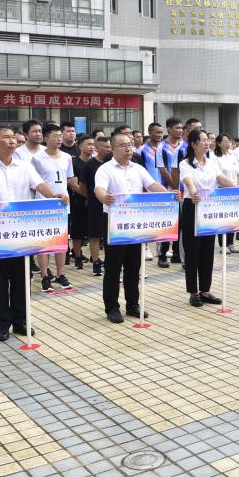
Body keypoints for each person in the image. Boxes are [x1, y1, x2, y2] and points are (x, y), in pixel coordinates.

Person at [0, 126, 67, 341]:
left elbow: (40, 185)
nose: (12, 141)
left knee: (21, 278)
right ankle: (2, 324)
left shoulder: (25, 166)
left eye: (13, 138)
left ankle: (20, 321)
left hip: (22, 233)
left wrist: (54, 196)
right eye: (6, 137)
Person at [94, 132, 168, 324]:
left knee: (134, 266)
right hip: (114, 221)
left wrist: (169, 195)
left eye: (130, 144)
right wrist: (104, 197)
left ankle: (132, 304)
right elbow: (99, 189)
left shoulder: (137, 168)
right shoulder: (105, 169)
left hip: (135, 221)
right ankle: (112, 307)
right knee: (113, 266)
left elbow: (152, 185)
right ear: (113, 148)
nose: (128, 148)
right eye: (123, 145)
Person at [179, 129, 237, 306]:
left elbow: (222, 180)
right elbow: (188, 182)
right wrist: (194, 193)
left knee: (207, 250)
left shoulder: (212, 163)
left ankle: (205, 290)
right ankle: (193, 292)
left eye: (207, 140)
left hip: (210, 208)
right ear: (193, 144)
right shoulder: (185, 163)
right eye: (203, 140)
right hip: (193, 206)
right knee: (192, 251)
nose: (207, 143)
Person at [32, 124, 77, 291]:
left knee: (61, 241)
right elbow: (33, 183)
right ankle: (45, 276)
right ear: (46, 138)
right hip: (43, 205)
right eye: (55, 136)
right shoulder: (37, 158)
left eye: (60, 136)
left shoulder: (67, 157)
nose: (59, 139)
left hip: (62, 205)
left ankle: (60, 274)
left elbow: (70, 180)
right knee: (44, 241)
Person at [155, 118, 183, 267]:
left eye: (181, 128)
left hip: (181, 192)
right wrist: (174, 186)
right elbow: (162, 170)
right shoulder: (162, 147)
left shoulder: (183, 146)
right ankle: (162, 255)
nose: (180, 130)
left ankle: (177, 253)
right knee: (167, 223)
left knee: (180, 223)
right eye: (177, 128)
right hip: (167, 190)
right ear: (169, 129)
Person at [84, 135, 111, 276]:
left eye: (110, 146)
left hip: (111, 206)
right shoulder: (90, 165)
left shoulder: (112, 164)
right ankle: (95, 262)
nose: (108, 149)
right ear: (97, 148)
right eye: (105, 147)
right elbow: (83, 185)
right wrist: (89, 198)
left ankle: (109, 261)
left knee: (109, 235)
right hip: (95, 204)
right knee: (94, 235)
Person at [68, 134, 95, 269]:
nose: (91, 147)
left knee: (93, 231)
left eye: (93, 144)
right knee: (77, 231)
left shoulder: (94, 162)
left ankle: (94, 258)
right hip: (79, 200)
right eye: (88, 144)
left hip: (94, 201)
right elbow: (74, 184)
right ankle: (77, 256)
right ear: (80, 146)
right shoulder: (74, 163)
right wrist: (88, 197)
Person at [214, 133, 239, 253]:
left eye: (229, 141)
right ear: (219, 143)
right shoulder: (215, 158)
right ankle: (223, 245)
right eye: (225, 141)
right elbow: (218, 177)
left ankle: (231, 243)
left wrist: (238, 187)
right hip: (223, 191)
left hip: (235, 191)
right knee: (224, 219)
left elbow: (238, 173)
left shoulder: (232, 155)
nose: (228, 143)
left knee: (233, 218)